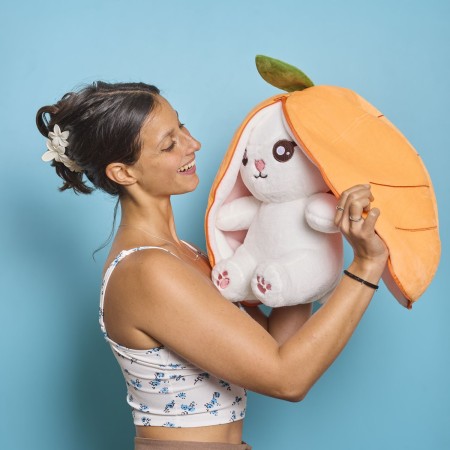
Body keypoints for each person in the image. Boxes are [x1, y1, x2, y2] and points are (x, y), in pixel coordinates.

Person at [36, 81, 388, 450]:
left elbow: (277, 345)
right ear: (124, 173)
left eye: (181, 126)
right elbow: (288, 379)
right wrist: (367, 264)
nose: (193, 144)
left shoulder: (186, 254)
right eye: (169, 144)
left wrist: (296, 223)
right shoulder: (148, 270)